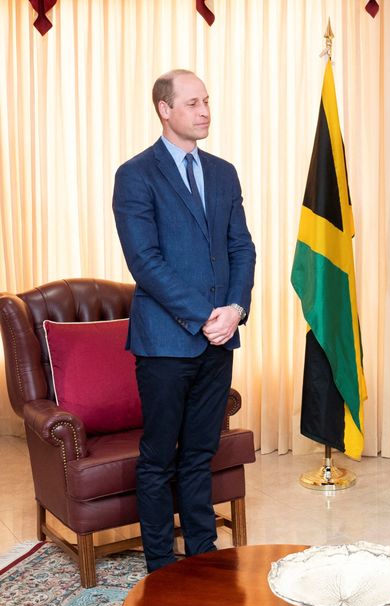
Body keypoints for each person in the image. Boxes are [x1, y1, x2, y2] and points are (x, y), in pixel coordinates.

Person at [113, 69, 256, 573]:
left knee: (200, 455)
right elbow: (145, 262)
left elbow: (242, 247)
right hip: (165, 344)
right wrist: (204, 318)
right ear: (164, 109)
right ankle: (161, 569)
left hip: (219, 340)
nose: (205, 111)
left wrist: (235, 310)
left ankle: (201, 560)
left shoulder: (223, 172)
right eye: (193, 103)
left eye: (207, 101)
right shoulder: (136, 174)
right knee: (158, 460)